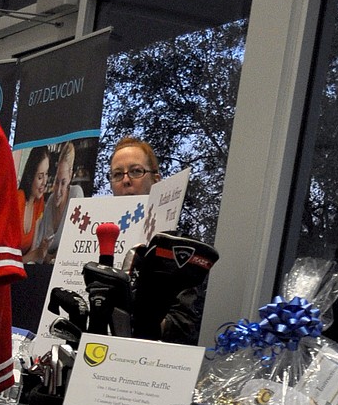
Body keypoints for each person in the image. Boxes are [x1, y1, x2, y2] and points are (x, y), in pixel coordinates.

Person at [108, 134, 218, 344]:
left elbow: (184, 323)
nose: (126, 180)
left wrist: (146, 323)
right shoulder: (96, 239)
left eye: (136, 171)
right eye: (117, 174)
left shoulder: (178, 250)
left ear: (156, 179)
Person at [35, 140, 84, 258]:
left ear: (70, 178)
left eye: (63, 182)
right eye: (57, 182)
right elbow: (38, 248)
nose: (58, 190)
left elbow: (74, 242)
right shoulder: (51, 199)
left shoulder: (76, 194)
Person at [16, 146, 50, 259]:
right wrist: (35, 254)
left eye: (46, 174)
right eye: (40, 177)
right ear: (31, 176)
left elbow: (33, 250)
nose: (45, 182)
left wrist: (41, 252)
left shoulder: (39, 202)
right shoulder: (18, 198)